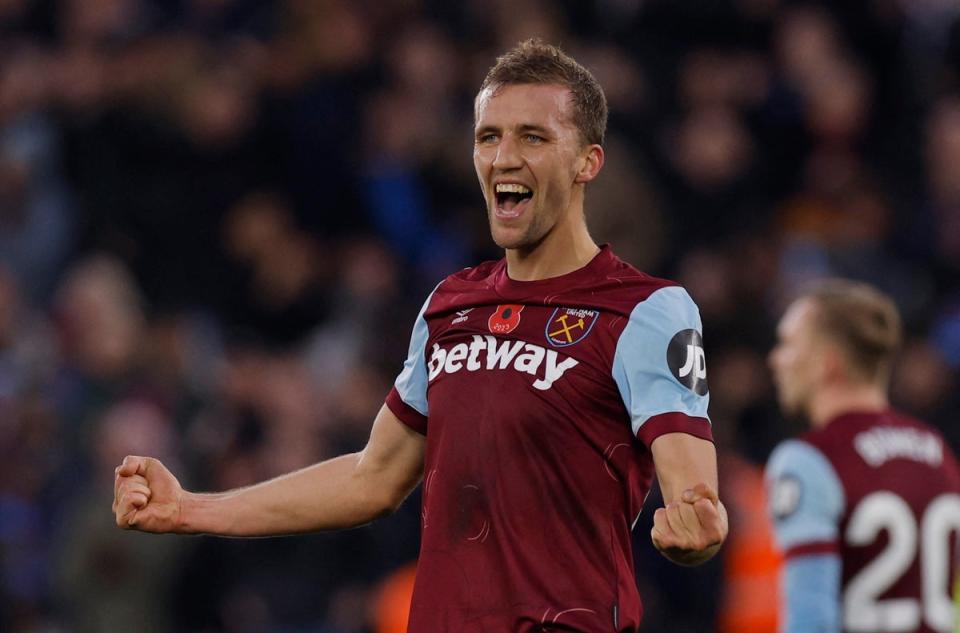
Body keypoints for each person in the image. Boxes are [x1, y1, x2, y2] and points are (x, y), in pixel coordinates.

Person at [113, 39, 727, 632]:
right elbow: (371, 479)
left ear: (587, 161)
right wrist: (193, 509)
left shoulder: (646, 310)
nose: (504, 157)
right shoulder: (449, 307)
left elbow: (690, 485)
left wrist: (696, 529)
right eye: (489, 137)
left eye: (533, 137)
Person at [765, 280, 960, 633]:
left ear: (827, 363)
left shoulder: (809, 459)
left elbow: (812, 621)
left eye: (788, 344)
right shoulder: (936, 451)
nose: (775, 359)